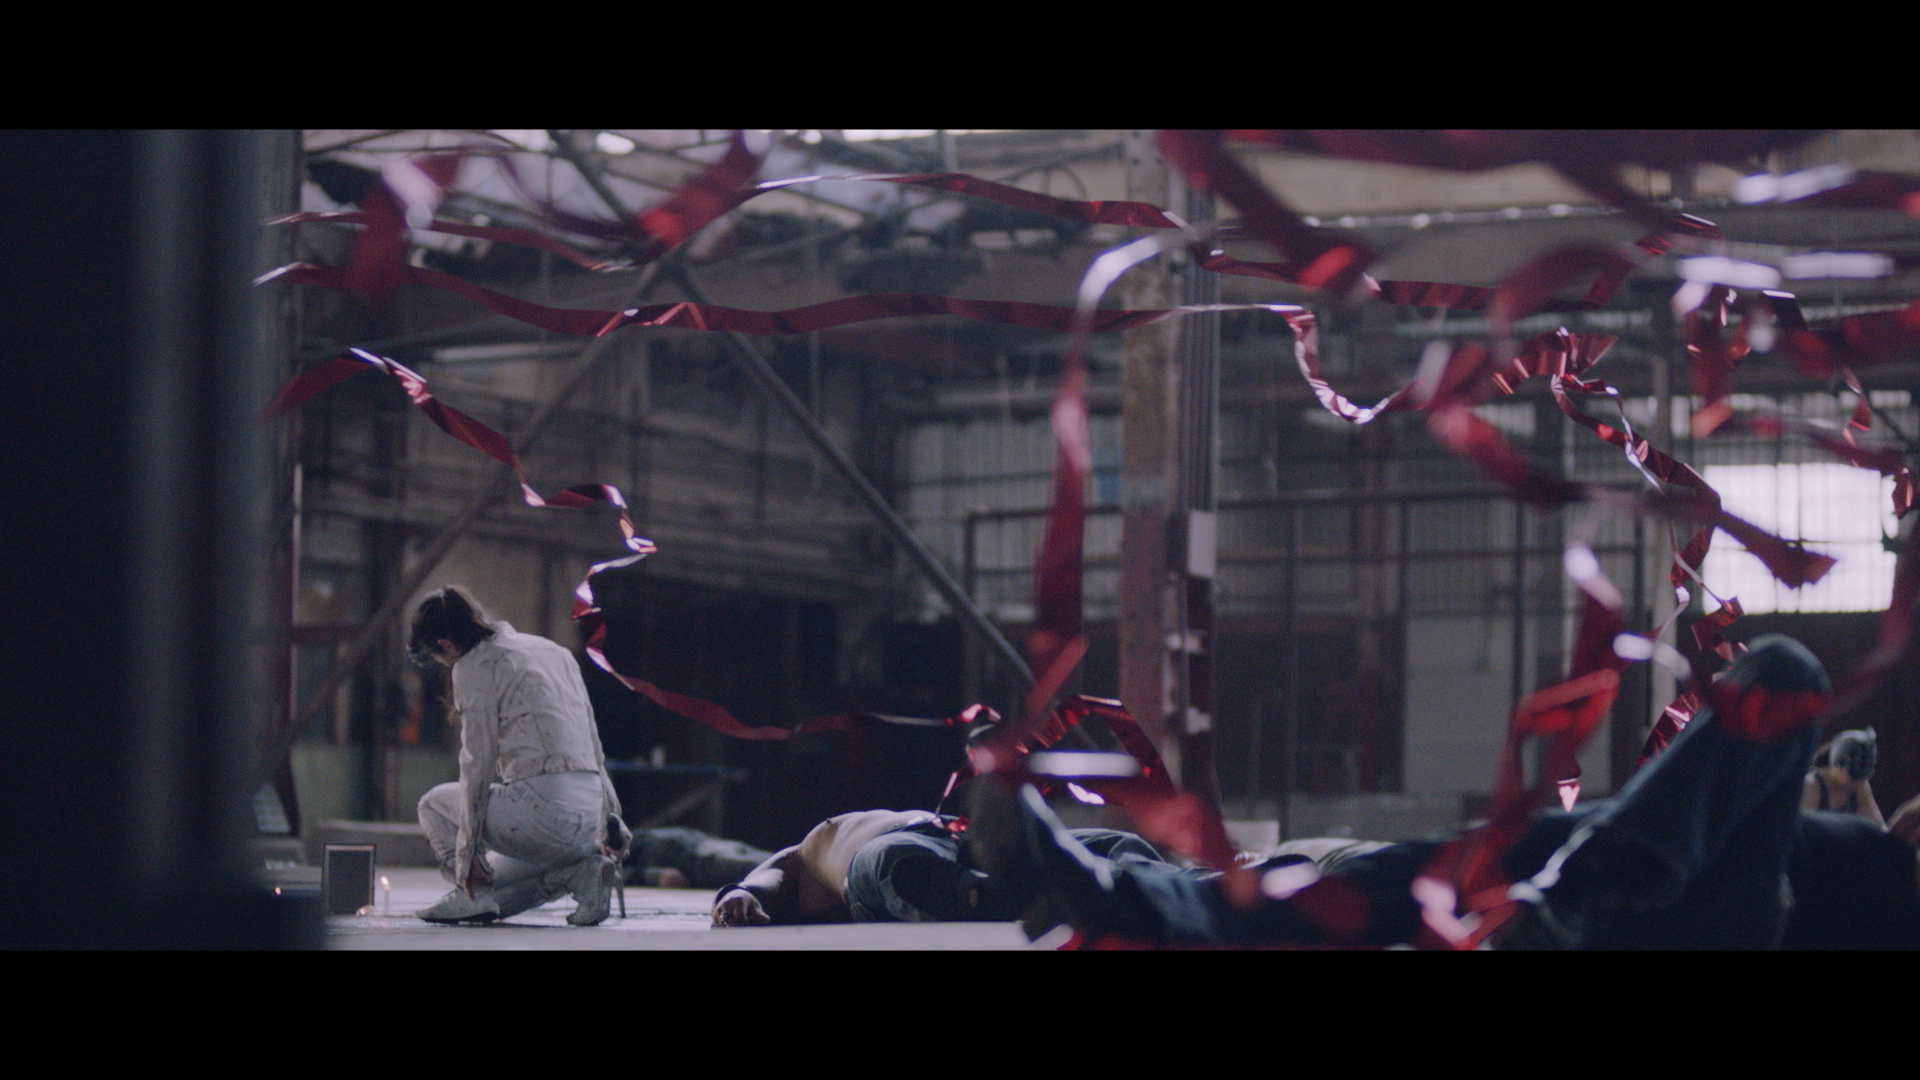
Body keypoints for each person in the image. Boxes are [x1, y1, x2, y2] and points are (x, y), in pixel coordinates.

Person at [968, 635, 1920, 949]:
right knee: (1407, 875)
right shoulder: (1883, 853)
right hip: (1679, 895)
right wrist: (1857, 791)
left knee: (1789, 673)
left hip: (1729, 924)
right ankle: (1117, 899)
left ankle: (1586, 887)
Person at [409, 586, 627, 925]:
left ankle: (471, 895)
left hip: (544, 815)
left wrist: (467, 859)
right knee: (497, 894)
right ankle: (582, 874)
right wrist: (613, 819)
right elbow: (594, 746)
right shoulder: (555, 652)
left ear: (445, 645)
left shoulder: (474, 665)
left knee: (431, 805)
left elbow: (477, 765)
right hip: (587, 818)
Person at [710, 807, 1173, 927]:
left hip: (959, 840)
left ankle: (1185, 889)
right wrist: (739, 894)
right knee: (899, 866)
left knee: (1111, 844)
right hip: (879, 869)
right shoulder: (802, 860)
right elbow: (760, 880)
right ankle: (987, 897)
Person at [1801, 728, 1886, 827]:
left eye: (1863, 777)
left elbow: (1878, 828)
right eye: (1854, 776)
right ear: (1837, 767)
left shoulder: (1860, 786)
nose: (1858, 783)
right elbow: (1800, 829)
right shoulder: (1812, 786)